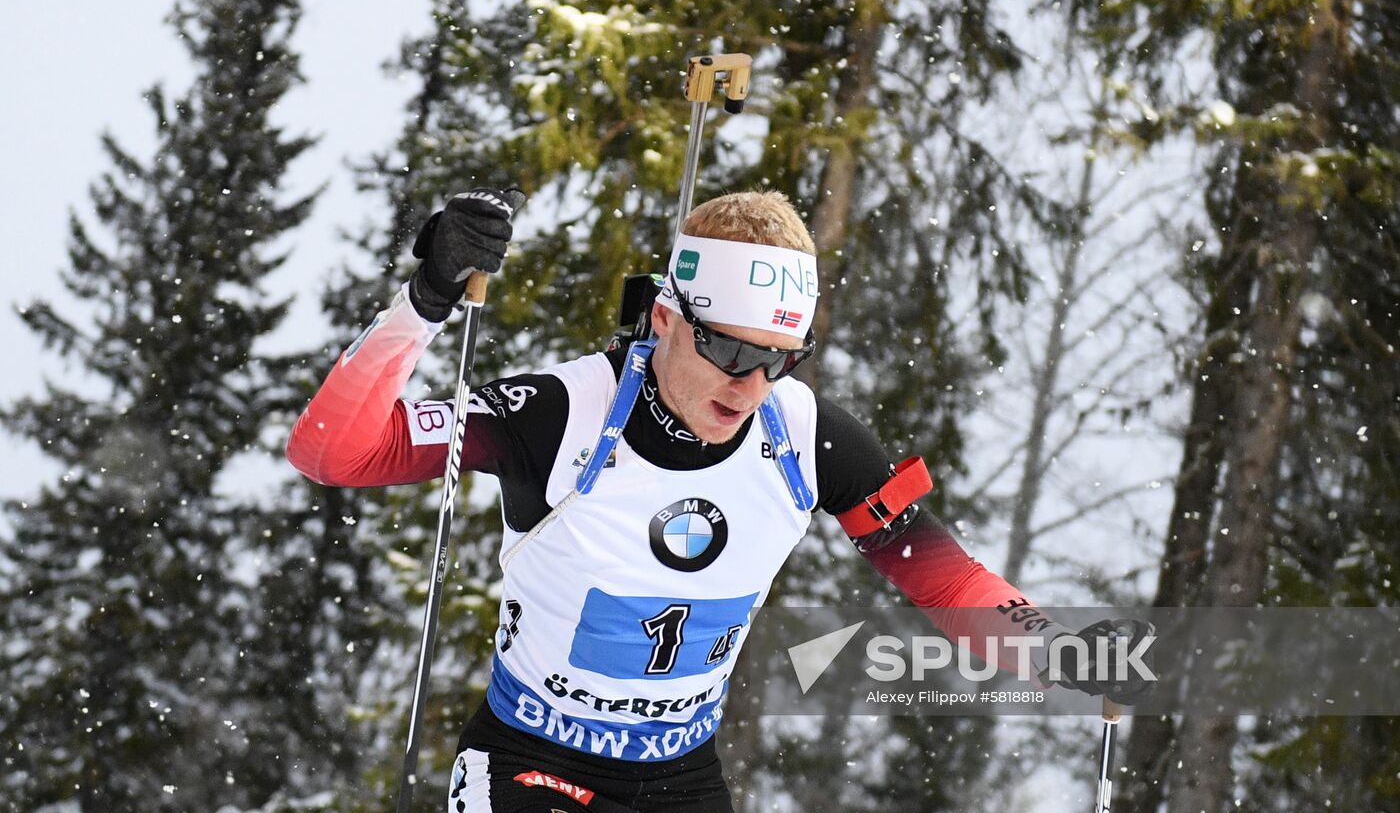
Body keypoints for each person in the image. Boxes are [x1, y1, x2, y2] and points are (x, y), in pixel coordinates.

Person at [287, 188, 1151, 812]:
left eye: (778, 358)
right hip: (529, 763)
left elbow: (946, 584)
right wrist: (427, 300)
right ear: (666, 319)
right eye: (730, 353)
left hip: (679, 779)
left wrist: (1060, 650)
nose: (750, 385)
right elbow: (333, 453)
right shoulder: (559, 414)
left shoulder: (807, 437)